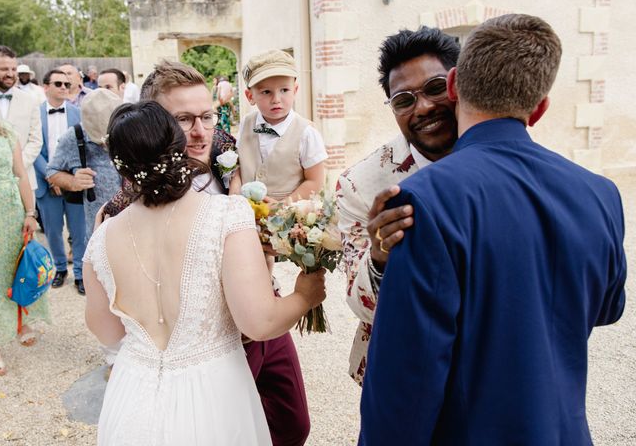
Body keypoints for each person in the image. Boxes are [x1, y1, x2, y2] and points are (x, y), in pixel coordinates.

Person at [359, 14, 627, 445]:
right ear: (538, 109)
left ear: (452, 87)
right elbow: (608, 307)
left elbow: (406, 377)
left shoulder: (423, 201)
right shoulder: (599, 193)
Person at [83, 100, 326, 444]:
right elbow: (259, 323)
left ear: (120, 165)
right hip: (214, 396)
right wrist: (305, 295)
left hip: (133, 396)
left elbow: (107, 332)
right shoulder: (227, 214)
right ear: (178, 147)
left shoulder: (103, 234)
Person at [336, 26, 459, 385]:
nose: (423, 107)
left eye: (436, 88)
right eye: (404, 100)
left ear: (458, 84)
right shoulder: (359, 184)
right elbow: (358, 305)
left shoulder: (498, 157)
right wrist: (378, 256)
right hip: (404, 369)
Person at [235, 49, 327, 202]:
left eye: (284, 90)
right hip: (246, 215)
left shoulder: (306, 133)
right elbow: (239, 164)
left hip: (287, 219)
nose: (276, 99)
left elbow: (315, 181)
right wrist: (235, 191)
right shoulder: (246, 123)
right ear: (250, 96)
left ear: (295, 90)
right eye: (266, 92)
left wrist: (282, 206)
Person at [0, 119, 46, 376]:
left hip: (10, 215)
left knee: (16, 270)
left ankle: (20, 322)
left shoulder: (6, 131)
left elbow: (21, 174)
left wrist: (30, 212)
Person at [47, 88, 122, 242]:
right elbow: (52, 171)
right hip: (100, 232)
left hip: (136, 222)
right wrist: (72, 181)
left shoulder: (132, 129)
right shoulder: (74, 136)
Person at [35, 69, 86, 294]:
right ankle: (59, 268)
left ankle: (80, 274)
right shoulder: (34, 114)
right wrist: (52, 176)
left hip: (74, 182)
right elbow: (34, 148)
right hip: (46, 184)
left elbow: (84, 149)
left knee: (78, 229)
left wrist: (68, 179)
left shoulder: (78, 113)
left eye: (67, 84)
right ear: (46, 87)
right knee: (53, 231)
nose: (64, 88)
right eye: (58, 84)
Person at [0, 46, 43, 191]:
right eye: (4, 69)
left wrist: (16, 164)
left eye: (13, 69)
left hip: (24, 182)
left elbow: (35, 140)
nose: (10, 74)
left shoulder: (31, 100)